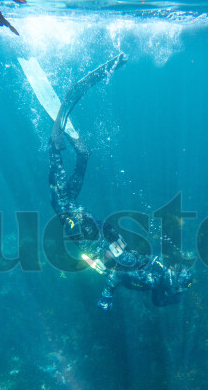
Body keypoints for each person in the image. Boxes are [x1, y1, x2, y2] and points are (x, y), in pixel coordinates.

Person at [46, 53, 193, 311]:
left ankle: (81, 154)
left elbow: (132, 267)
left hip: (100, 233)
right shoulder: (151, 279)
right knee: (60, 200)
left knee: (67, 200)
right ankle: (55, 144)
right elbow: (118, 272)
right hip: (92, 238)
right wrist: (106, 295)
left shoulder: (158, 269)